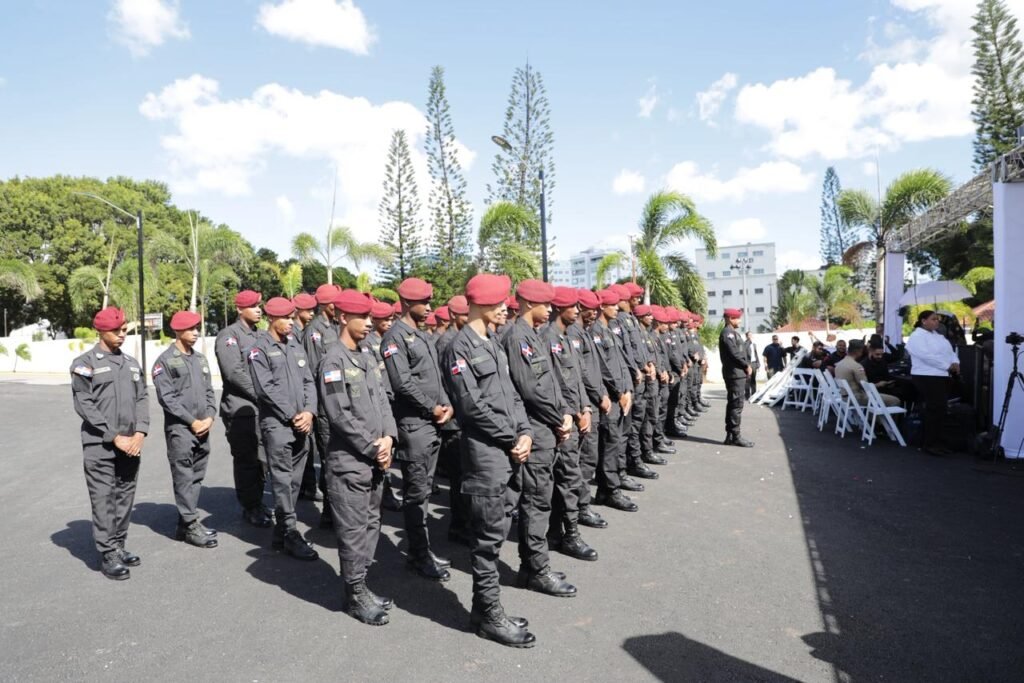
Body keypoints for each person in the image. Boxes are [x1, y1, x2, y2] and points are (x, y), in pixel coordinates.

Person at [440, 273, 536, 648]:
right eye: (499, 304)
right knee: (486, 540)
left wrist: (525, 430)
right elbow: (471, 407)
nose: (505, 309)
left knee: (495, 535)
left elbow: (512, 394)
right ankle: (490, 616)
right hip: (486, 456)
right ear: (479, 305)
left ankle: (485, 609)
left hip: (509, 452)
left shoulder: (493, 342)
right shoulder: (459, 348)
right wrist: (512, 436)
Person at [317, 290, 398, 626]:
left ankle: (361, 583)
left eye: (369, 317)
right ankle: (353, 593)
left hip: (375, 457)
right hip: (350, 461)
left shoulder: (366, 356)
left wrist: (390, 438)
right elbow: (339, 414)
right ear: (342, 318)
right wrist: (372, 446)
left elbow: (382, 401)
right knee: (352, 529)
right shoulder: (333, 361)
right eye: (361, 317)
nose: (368, 323)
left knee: (371, 523)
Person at [500, 280, 581, 597]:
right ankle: (537, 570)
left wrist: (562, 412)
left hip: (546, 428)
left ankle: (531, 566)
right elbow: (530, 389)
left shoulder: (532, 335)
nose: (550, 308)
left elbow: (550, 383)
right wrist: (557, 417)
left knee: (540, 501)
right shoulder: (518, 337)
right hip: (536, 429)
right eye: (544, 304)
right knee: (536, 502)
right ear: (528, 304)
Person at [381, 277, 454, 581]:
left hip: (432, 422)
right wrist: (431, 407)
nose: (429, 307)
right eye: (424, 302)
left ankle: (421, 549)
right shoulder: (395, 338)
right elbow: (402, 383)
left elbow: (434, 377)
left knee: (424, 490)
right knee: (415, 493)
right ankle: (418, 554)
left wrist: (446, 403)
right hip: (414, 425)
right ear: (408, 303)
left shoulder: (420, 335)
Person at [70, 307, 149, 580]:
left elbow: (142, 399)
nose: (121, 335)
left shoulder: (131, 363)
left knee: (125, 495)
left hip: (131, 443)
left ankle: (119, 544)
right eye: (116, 330)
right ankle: (108, 553)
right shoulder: (85, 363)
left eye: (124, 330)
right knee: (104, 497)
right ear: (100, 331)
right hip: (100, 444)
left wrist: (140, 433)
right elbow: (85, 404)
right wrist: (115, 435)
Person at [248, 297, 319, 560]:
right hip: (278, 426)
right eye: (286, 318)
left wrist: (310, 412)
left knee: (294, 483)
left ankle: (281, 532)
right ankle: (290, 532)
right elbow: (266, 389)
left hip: (303, 424)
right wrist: (293, 415)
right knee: (281, 480)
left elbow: (309, 382)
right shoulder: (259, 350)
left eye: (292, 317)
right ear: (271, 319)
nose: (291, 322)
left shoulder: (296, 346)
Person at [540, 286, 600, 563]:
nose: (577, 310)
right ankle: (570, 535)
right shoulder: (547, 339)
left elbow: (577, 377)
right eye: (572, 306)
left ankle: (555, 532)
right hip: (563, 420)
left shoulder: (564, 337)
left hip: (577, 414)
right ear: (558, 309)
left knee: (566, 477)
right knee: (568, 478)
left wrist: (585, 407)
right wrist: (570, 413)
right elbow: (552, 383)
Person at [152, 310, 218, 549]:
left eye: (197, 328)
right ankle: (190, 524)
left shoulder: (200, 359)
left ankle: (185, 522)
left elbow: (210, 391)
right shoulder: (165, 361)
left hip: (203, 427)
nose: (196, 333)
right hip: (181, 429)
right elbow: (167, 398)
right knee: (183, 476)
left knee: (197, 476)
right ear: (178, 331)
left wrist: (210, 416)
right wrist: (192, 421)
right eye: (191, 329)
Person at [215, 290, 271, 528]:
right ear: (239, 309)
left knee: (261, 459)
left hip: (262, 408)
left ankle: (257, 500)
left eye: (259, 305)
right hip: (241, 410)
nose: (259, 309)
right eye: (253, 305)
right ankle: (251, 506)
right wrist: (261, 393)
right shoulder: (229, 336)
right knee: (247, 459)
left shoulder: (262, 335)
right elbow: (233, 372)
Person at [566, 289, 611, 528]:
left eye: (595, 309)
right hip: (585, 403)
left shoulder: (583, 331)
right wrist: (595, 397)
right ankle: (580, 507)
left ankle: (581, 505)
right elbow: (580, 373)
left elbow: (593, 368)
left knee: (588, 457)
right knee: (583, 460)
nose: (592, 313)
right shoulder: (573, 333)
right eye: (587, 308)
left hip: (591, 401)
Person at [591, 288, 638, 510]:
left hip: (620, 394)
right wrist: (619, 392)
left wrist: (627, 388)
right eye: (613, 305)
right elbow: (604, 367)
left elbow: (620, 362)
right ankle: (610, 490)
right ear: (602, 307)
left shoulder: (609, 330)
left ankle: (606, 488)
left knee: (616, 441)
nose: (617, 308)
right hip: (610, 397)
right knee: (609, 445)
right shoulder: (596, 332)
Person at [301, 284, 342, 519]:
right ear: (328, 305)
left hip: (339, 404)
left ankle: (333, 508)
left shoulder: (335, 327)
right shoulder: (314, 332)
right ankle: (329, 512)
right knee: (329, 459)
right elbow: (317, 372)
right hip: (327, 406)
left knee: (337, 458)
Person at [435, 294, 471, 545]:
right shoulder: (448, 343)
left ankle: (464, 523)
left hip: (462, 418)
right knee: (459, 477)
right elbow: (448, 385)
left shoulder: (460, 339)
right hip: (453, 420)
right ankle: (459, 527)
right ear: (454, 316)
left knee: (465, 475)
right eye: (466, 314)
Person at [906, 310, 960, 456]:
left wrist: (955, 362)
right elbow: (925, 356)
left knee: (940, 409)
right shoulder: (916, 336)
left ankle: (938, 441)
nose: (937, 322)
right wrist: (946, 365)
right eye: (933, 319)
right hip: (926, 376)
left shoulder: (940, 337)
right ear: (924, 321)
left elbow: (951, 352)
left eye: (937, 319)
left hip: (942, 376)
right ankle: (929, 443)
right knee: (934, 408)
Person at [366, 300, 403, 513]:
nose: (389, 323)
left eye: (392, 319)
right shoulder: (369, 343)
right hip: (379, 404)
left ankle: (384, 492)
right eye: (385, 319)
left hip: (391, 402)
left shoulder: (388, 340)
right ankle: (383, 494)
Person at [719, 309, 753, 447]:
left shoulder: (732, 333)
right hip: (735, 373)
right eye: (737, 318)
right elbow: (734, 354)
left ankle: (730, 435)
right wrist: (746, 365)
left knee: (734, 404)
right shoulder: (728, 334)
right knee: (736, 405)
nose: (739, 321)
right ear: (730, 319)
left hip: (736, 373)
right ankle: (735, 435)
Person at [835, 340, 901, 408]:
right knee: (895, 400)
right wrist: (880, 384)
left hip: (845, 397)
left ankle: (874, 416)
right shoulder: (857, 366)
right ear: (859, 351)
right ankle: (881, 418)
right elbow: (866, 387)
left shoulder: (839, 364)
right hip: (856, 398)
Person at [744, 331, 760, 398]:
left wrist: (758, 363)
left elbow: (756, 354)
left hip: (754, 363)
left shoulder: (754, 344)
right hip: (748, 364)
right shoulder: (745, 344)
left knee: (753, 380)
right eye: (749, 335)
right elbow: (744, 354)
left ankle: (754, 394)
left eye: (751, 335)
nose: (750, 336)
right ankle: (747, 395)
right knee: (748, 379)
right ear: (746, 336)